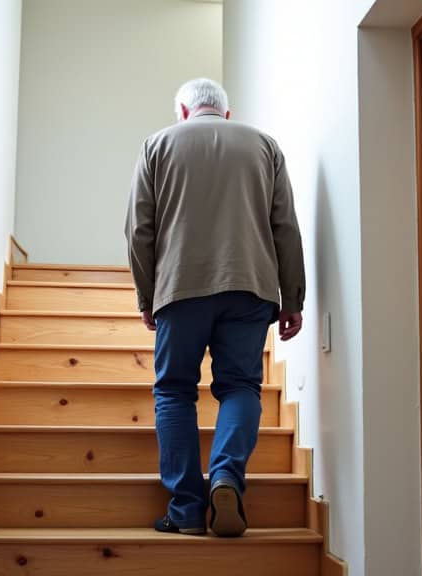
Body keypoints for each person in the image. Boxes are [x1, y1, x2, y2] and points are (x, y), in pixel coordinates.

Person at [124, 78, 306, 538]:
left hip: (180, 288)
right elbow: (284, 225)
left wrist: (148, 297)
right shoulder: (264, 145)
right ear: (226, 114)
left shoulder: (157, 144)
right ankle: (226, 477)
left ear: (183, 112)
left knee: (174, 392)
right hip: (250, 288)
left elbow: (139, 230)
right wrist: (293, 299)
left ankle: (186, 507)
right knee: (241, 385)